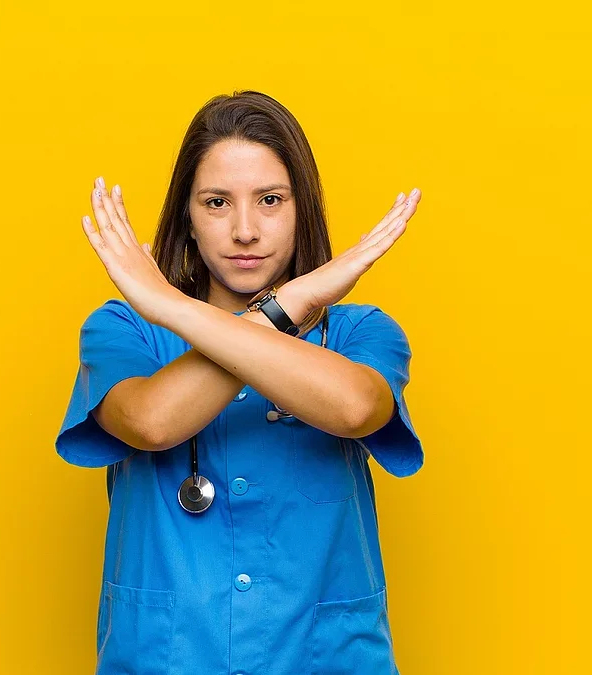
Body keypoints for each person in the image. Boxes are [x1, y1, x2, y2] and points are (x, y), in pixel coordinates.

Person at [55, 90, 425, 675]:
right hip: (167, 659)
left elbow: (357, 409)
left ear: (302, 209)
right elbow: (152, 421)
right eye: (217, 202)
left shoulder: (360, 333)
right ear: (187, 218)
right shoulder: (126, 327)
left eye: (271, 200)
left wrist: (172, 304)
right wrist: (287, 305)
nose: (245, 230)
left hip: (323, 659)